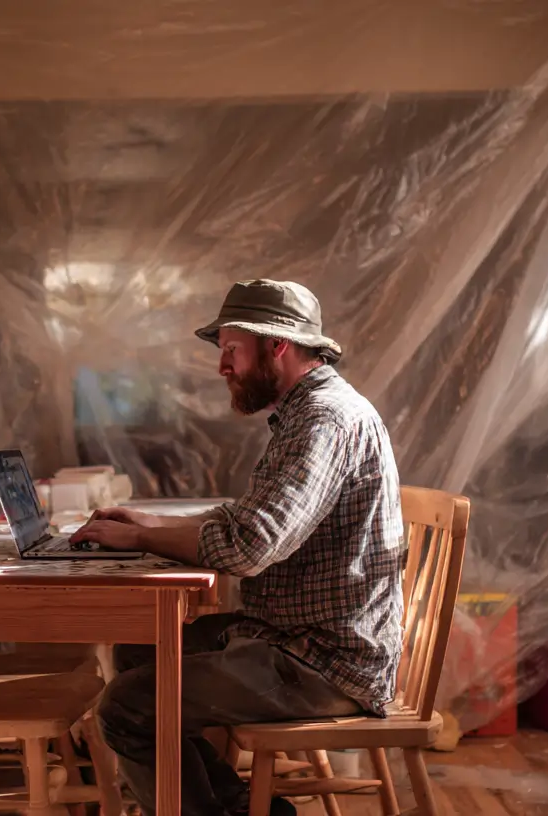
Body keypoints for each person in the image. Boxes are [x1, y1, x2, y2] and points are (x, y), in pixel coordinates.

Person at [71, 279, 405, 816]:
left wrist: (137, 538)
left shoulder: (325, 420)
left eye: (231, 350)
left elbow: (250, 545)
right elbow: (249, 519)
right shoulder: (305, 412)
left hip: (326, 661)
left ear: (278, 345)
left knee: (127, 706)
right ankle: (239, 809)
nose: (222, 366)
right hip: (292, 637)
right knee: (138, 650)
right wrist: (148, 520)